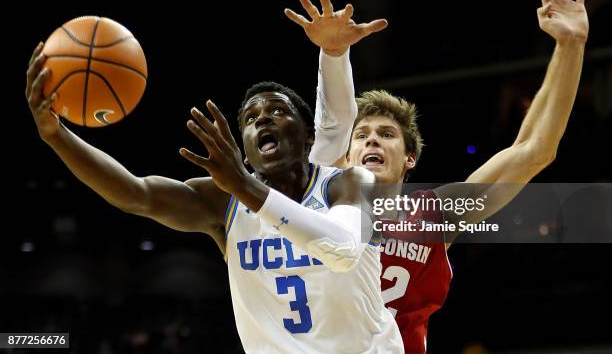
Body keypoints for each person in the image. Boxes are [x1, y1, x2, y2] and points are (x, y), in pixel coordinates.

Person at [284, 0, 589, 353]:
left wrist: (571, 45)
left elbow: (533, 150)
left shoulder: (435, 213)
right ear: (345, 155)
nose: (372, 141)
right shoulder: (317, 206)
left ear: (409, 158)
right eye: (361, 135)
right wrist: (331, 53)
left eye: (387, 134)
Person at [26, 54, 404, 350]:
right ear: (245, 146)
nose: (263, 120)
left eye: (277, 111)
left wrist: (243, 186)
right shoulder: (222, 200)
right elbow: (134, 194)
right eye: (251, 118)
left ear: (308, 138)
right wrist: (56, 137)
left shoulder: (349, 183)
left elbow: (341, 249)